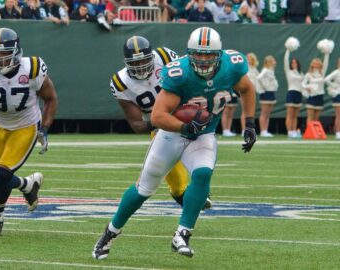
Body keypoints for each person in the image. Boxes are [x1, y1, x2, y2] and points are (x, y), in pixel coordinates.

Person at [93, 27, 256, 259]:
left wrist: (249, 123)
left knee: (202, 174)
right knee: (144, 189)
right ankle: (109, 233)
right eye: (198, 54)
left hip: (203, 134)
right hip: (172, 133)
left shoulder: (233, 64)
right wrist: (184, 126)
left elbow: (248, 89)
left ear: (219, 54)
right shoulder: (179, 72)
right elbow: (158, 116)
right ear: (189, 53)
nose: (203, 59)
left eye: (209, 54)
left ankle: (182, 234)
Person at [0, 28, 58, 236]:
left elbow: (50, 98)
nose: (0, 59)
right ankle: (28, 184)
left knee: (3, 173)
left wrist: (45, 128)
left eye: (4, 53)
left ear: (16, 52)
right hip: (0, 125)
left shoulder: (32, 68)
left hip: (26, 126)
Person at [110, 35, 212, 208]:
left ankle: (199, 189)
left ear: (152, 57)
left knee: (201, 151)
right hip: (158, 126)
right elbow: (136, 125)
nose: (140, 67)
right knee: (175, 178)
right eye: (134, 63)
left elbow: (188, 77)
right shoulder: (120, 83)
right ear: (126, 62)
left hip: (182, 111)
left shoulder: (165, 56)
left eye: (144, 61)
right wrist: (159, 121)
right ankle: (181, 194)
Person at [302, 40, 332, 123]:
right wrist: (307, 87)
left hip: (320, 95)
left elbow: (326, 62)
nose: (315, 64)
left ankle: (314, 134)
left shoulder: (322, 72)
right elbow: (303, 84)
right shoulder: (308, 74)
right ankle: (309, 133)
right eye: (314, 63)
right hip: (311, 96)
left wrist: (327, 52)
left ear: (319, 64)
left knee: (316, 117)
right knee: (310, 117)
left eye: (317, 63)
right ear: (311, 64)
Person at [284, 37, 304, 139]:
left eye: (295, 62)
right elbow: (286, 60)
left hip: (299, 94)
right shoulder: (289, 72)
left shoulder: (301, 73)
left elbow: (303, 84)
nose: (294, 64)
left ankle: (294, 131)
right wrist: (288, 49)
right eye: (292, 63)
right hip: (291, 92)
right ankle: (289, 131)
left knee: (295, 115)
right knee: (290, 114)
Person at [257, 55, 278, 137]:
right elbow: (258, 78)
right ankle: (263, 131)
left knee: (268, 113)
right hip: (266, 93)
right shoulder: (265, 70)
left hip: (271, 92)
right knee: (264, 113)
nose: (275, 62)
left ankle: (265, 130)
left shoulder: (271, 70)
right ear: (269, 62)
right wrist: (264, 86)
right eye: (273, 60)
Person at [324, 58, 340, 139]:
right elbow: (326, 79)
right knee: (339, 115)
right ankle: (338, 132)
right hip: (338, 95)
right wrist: (333, 86)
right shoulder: (336, 72)